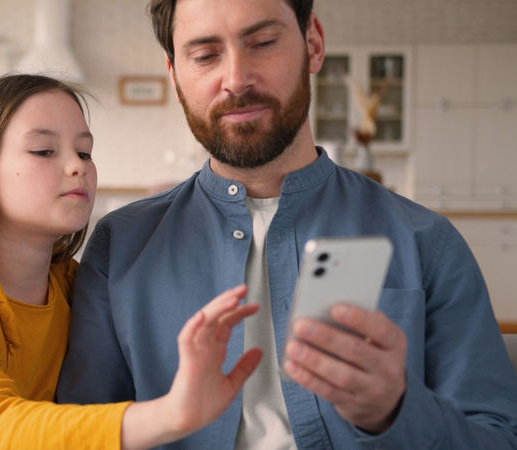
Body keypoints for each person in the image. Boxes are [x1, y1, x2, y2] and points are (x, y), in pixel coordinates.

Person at [56, 0, 517, 449]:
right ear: (175, 73)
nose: (236, 79)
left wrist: (396, 411)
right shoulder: (120, 246)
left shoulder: (427, 243)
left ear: (313, 44)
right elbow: (82, 431)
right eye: (205, 55)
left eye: (263, 42)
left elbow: (496, 436)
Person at [0, 74, 266, 450]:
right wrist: (170, 415)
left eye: (85, 152)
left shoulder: (80, 287)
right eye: (43, 150)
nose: (77, 166)